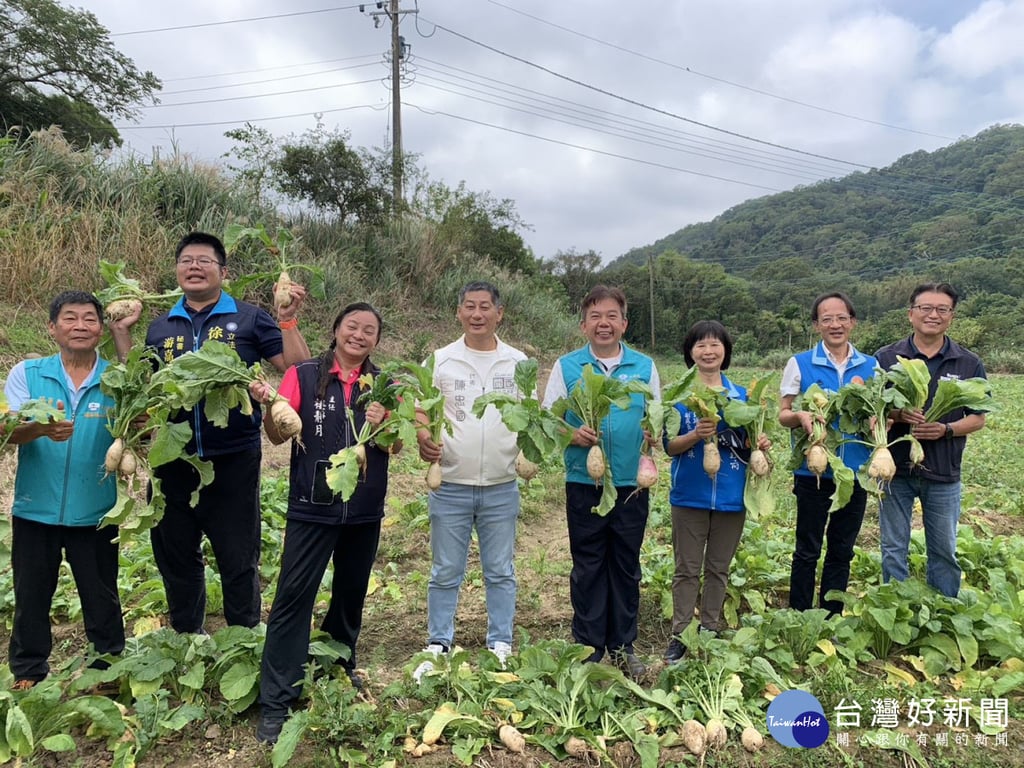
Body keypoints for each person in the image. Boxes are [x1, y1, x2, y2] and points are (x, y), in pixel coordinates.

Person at [120, 231, 310, 633]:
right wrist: (122, 334)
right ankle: (187, 636)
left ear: (223, 271)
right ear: (177, 271)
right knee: (174, 553)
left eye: (204, 260)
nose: (194, 266)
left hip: (234, 459)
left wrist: (288, 319)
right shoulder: (159, 327)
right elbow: (141, 386)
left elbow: (297, 370)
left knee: (238, 555)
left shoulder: (249, 317)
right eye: (186, 259)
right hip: (172, 459)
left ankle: (243, 636)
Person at [255, 303, 397, 744]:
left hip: (363, 509)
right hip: (311, 505)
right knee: (293, 598)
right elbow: (278, 436)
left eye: (369, 330)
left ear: (376, 340)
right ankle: (276, 700)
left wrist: (385, 422)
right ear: (335, 330)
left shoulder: (385, 385)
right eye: (351, 326)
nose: (359, 335)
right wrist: (271, 408)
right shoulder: (303, 375)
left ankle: (339, 666)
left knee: (350, 594)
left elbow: (393, 448)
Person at [3, 291, 133, 688]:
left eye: (90, 319)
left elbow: (137, 428)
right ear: (52, 327)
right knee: (31, 596)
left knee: (102, 596)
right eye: (70, 318)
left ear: (100, 328)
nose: (80, 326)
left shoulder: (116, 379)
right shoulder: (28, 372)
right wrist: (39, 429)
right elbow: (8, 431)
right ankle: (28, 671)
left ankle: (107, 668)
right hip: (34, 509)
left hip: (96, 512)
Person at [541, 285, 660, 680]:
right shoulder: (568, 366)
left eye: (611, 316)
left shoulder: (643, 366)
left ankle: (624, 645)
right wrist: (571, 435)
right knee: (588, 564)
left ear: (624, 323)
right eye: (595, 316)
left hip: (630, 483)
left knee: (626, 564)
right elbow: (548, 419)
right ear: (583, 325)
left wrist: (655, 433)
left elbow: (655, 416)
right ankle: (589, 646)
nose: (603, 323)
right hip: (584, 479)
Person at [413, 281, 527, 679]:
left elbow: (528, 413)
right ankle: (439, 641)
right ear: (458, 312)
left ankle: (500, 641)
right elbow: (423, 410)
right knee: (445, 569)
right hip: (451, 483)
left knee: (500, 569)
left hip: (501, 483)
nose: (477, 314)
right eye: (469, 306)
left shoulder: (517, 361)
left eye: (484, 307)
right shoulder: (440, 360)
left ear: (500, 313)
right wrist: (424, 437)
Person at [663, 321, 770, 663]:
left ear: (725, 351)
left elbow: (752, 443)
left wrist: (760, 444)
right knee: (686, 568)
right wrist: (696, 434)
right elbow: (669, 446)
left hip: (731, 495)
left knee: (719, 568)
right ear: (690, 352)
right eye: (700, 345)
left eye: (715, 345)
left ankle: (709, 627)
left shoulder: (743, 397)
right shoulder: (678, 397)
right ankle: (681, 633)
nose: (708, 351)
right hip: (689, 494)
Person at [875, 283, 987, 598]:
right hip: (894, 470)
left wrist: (946, 429)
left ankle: (944, 608)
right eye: (926, 308)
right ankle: (895, 606)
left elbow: (978, 416)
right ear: (911, 314)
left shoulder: (967, 362)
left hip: (943, 470)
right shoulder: (885, 357)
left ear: (951, 317)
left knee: (944, 549)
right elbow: (871, 410)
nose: (933, 315)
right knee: (893, 547)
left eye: (942, 309)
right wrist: (897, 414)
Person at [779, 292, 876, 617]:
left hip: (854, 471)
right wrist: (801, 417)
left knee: (842, 549)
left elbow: (881, 411)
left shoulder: (871, 365)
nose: (835, 324)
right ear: (816, 325)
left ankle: (832, 615)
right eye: (827, 319)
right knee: (807, 548)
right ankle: (800, 613)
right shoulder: (800, 362)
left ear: (852, 322)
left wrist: (880, 417)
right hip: (813, 470)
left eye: (841, 318)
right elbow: (783, 413)